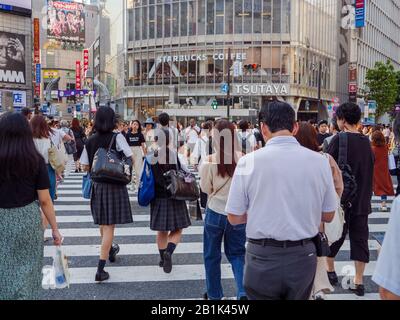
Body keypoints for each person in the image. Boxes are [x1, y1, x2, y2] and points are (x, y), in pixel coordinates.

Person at [226, 101, 337, 300]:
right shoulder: (320, 162)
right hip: (303, 254)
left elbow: (234, 217)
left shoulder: (247, 162)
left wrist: (261, 213)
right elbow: (328, 215)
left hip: (261, 254)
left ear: (263, 128)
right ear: (295, 127)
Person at [0, 112, 62, 300]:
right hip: (27, 218)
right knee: (28, 265)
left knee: (3, 264)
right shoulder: (34, 160)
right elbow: (44, 200)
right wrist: (55, 229)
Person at [80, 107, 134, 282]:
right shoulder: (117, 137)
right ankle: (100, 269)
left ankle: (109, 249)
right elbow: (130, 157)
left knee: (103, 223)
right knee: (109, 225)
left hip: (98, 186)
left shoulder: (90, 140)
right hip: (114, 185)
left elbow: (84, 166)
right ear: (111, 120)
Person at [326, 102, 374, 297]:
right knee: (360, 239)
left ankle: (329, 270)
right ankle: (359, 281)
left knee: (334, 236)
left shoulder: (339, 139)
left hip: (341, 200)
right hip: (362, 200)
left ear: (342, 120)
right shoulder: (366, 143)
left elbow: (325, 166)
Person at [295, 122, 344, 300]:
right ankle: (318, 288)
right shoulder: (325, 158)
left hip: (296, 214)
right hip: (319, 215)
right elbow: (338, 186)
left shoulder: (292, 159)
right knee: (317, 249)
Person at [200, 119, 247, 301]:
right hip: (237, 213)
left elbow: (205, 188)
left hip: (215, 212)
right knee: (237, 254)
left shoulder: (210, 160)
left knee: (211, 256)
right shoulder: (243, 158)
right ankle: (242, 291)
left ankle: (214, 295)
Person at [149, 128, 191, 274]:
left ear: (156, 140)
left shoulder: (152, 156)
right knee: (178, 228)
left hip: (158, 197)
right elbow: (184, 172)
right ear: (169, 140)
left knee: (162, 230)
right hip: (175, 195)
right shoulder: (174, 155)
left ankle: (162, 258)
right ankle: (169, 252)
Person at [372, 113, 400, 300]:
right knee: (383, 189)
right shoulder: (384, 150)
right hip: (384, 174)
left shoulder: (372, 150)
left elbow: (389, 291)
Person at [31, 115, 57, 202]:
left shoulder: (29, 139)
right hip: (48, 168)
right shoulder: (48, 138)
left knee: (34, 199)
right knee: (48, 198)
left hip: (33, 168)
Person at [371, 130, 394, 211]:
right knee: (383, 187)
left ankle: (369, 204)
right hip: (384, 169)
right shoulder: (386, 147)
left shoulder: (372, 149)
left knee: (373, 187)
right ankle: (383, 204)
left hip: (375, 170)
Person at [125, 120, 146, 191]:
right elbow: (126, 146)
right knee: (130, 169)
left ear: (138, 126)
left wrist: (145, 155)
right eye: (134, 124)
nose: (135, 126)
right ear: (131, 125)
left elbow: (143, 145)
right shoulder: (127, 134)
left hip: (138, 151)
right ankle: (132, 185)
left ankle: (138, 185)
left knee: (138, 169)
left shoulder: (140, 135)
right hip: (130, 151)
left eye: (137, 124)